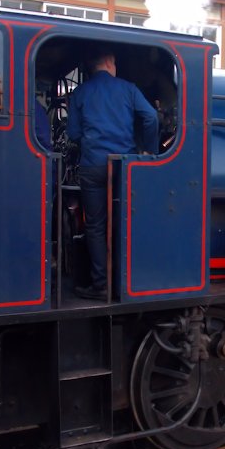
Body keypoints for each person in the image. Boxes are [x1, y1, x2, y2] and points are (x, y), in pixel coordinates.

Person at [66, 47, 158, 300]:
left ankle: (101, 285)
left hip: (93, 164)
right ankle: (130, 280)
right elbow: (150, 117)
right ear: (108, 63)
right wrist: (149, 150)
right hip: (123, 166)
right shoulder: (128, 88)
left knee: (95, 226)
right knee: (126, 221)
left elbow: (73, 134)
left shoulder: (79, 93)